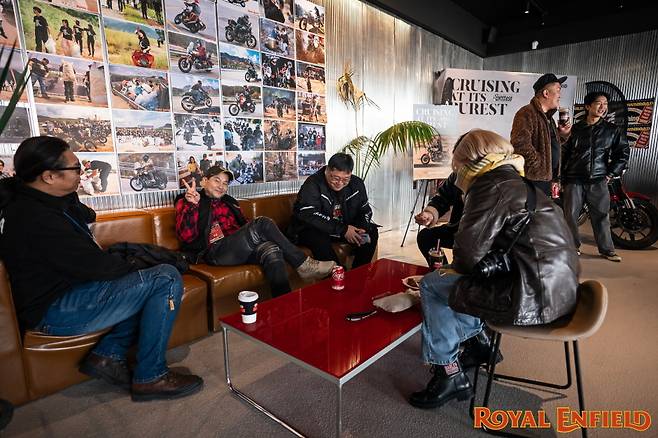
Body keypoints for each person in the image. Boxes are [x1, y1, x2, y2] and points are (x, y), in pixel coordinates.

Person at [0, 137, 203, 401]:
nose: (82, 172)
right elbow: (97, 266)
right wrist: (140, 265)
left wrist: (70, 195)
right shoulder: (34, 218)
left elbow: (89, 216)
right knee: (165, 278)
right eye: (75, 168)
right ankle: (151, 377)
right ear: (49, 176)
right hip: (55, 309)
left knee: (148, 281)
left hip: (73, 290)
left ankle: (108, 354)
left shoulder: (46, 201)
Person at [408, 129, 578, 410]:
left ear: (467, 161)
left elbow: (466, 257)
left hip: (530, 296)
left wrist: (450, 266)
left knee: (432, 285)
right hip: (561, 290)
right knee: (459, 281)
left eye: (458, 166)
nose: (457, 173)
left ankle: (448, 372)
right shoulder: (516, 180)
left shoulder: (489, 185)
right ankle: (479, 344)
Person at [175, 166, 335, 297]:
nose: (221, 186)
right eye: (216, 180)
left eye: (225, 183)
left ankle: (284, 305)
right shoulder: (189, 200)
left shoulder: (229, 202)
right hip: (214, 252)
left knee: (271, 250)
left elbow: (244, 226)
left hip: (236, 248)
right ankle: (303, 263)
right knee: (262, 223)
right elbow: (186, 237)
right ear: (204, 181)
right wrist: (193, 205)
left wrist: (259, 237)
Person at [561, 91, 629, 262]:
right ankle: (572, 247)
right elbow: (563, 154)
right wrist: (560, 178)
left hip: (599, 179)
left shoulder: (611, 130)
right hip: (574, 179)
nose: (603, 107)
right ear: (587, 106)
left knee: (601, 216)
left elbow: (622, 153)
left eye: (605, 104)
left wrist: (611, 173)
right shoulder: (574, 129)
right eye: (599, 103)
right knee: (570, 216)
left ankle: (607, 250)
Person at [289, 153, 378, 269]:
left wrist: (361, 228)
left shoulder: (357, 184)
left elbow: (365, 210)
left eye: (345, 179)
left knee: (371, 231)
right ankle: (338, 274)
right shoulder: (313, 184)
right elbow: (309, 215)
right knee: (318, 237)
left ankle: (358, 273)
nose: (340, 183)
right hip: (312, 229)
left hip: (339, 229)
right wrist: (343, 229)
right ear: (327, 170)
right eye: (336, 178)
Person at [510, 73, 572, 196]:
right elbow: (520, 144)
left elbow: (550, 145)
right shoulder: (527, 113)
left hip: (547, 179)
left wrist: (563, 134)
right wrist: (539, 165)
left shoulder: (548, 118)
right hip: (534, 180)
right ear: (546, 93)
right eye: (558, 90)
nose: (560, 95)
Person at [414, 173, 462, 267]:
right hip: (457, 229)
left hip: (483, 237)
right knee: (425, 237)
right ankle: (441, 272)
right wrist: (430, 214)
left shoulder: (489, 179)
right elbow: (443, 197)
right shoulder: (459, 174)